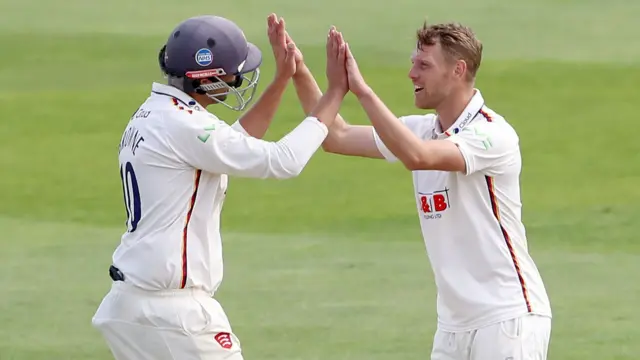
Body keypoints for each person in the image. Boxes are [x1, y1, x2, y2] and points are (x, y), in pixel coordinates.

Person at [91, 14, 349, 360]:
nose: (238, 78)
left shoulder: (157, 113)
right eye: (232, 72)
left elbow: (231, 144)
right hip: (174, 313)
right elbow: (284, 161)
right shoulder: (185, 125)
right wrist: (334, 93)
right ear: (205, 77)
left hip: (131, 306)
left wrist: (282, 80)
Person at [289, 22, 552, 359]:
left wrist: (364, 92)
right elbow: (334, 136)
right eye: (414, 63)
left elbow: (418, 157)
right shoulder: (420, 130)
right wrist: (297, 69)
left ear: (458, 70)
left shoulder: (492, 135)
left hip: (507, 318)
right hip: (453, 326)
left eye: (424, 65)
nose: (412, 74)